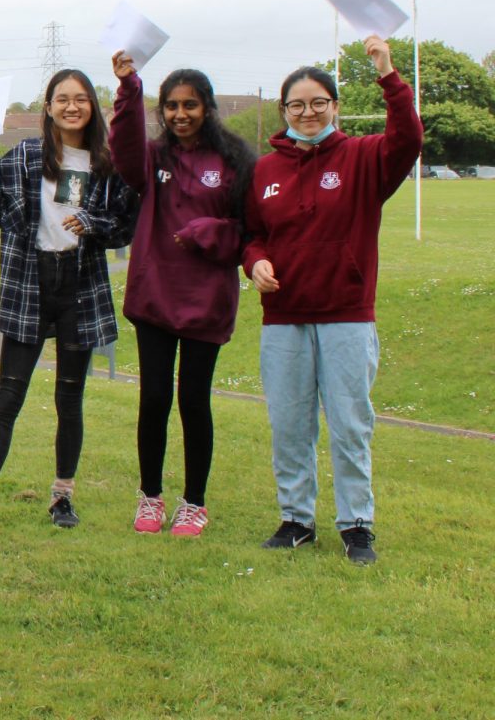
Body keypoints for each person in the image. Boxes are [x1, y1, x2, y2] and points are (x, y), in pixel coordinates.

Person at [244, 34, 420, 565]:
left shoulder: (365, 157)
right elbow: (252, 234)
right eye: (298, 105)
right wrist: (255, 263)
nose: (309, 112)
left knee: (349, 424)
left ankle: (356, 525)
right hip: (284, 321)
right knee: (290, 424)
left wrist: (388, 74)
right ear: (284, 111)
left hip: (346, 315)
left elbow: (408, 139)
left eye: (319, 103)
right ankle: (296, 519)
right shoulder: (265, 170)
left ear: (336, 107)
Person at [0, 68, 137, 536]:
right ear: (48, 106)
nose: (71, 106)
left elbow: (123, 225)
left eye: (81, 99)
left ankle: (62, 496)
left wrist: (93, 224)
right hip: (30, 281)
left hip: (81, 284)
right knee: (8, 395)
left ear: (92, 106)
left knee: (69, 396)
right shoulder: (28, 155)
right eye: (62, 99)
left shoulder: (106, 164)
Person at [108, 54, 255, 538]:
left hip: (206, 301)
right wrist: (129, 88)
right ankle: (150, 497)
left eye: (190, 105)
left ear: (207, 108)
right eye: (171, 106)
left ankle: (194, 503)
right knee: (153, 399)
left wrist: (207, 231)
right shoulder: (153, 159)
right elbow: (123, 151)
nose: (180, 114)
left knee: (193, 401)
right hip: (154, 296)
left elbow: (247, 233)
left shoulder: (235, 162)